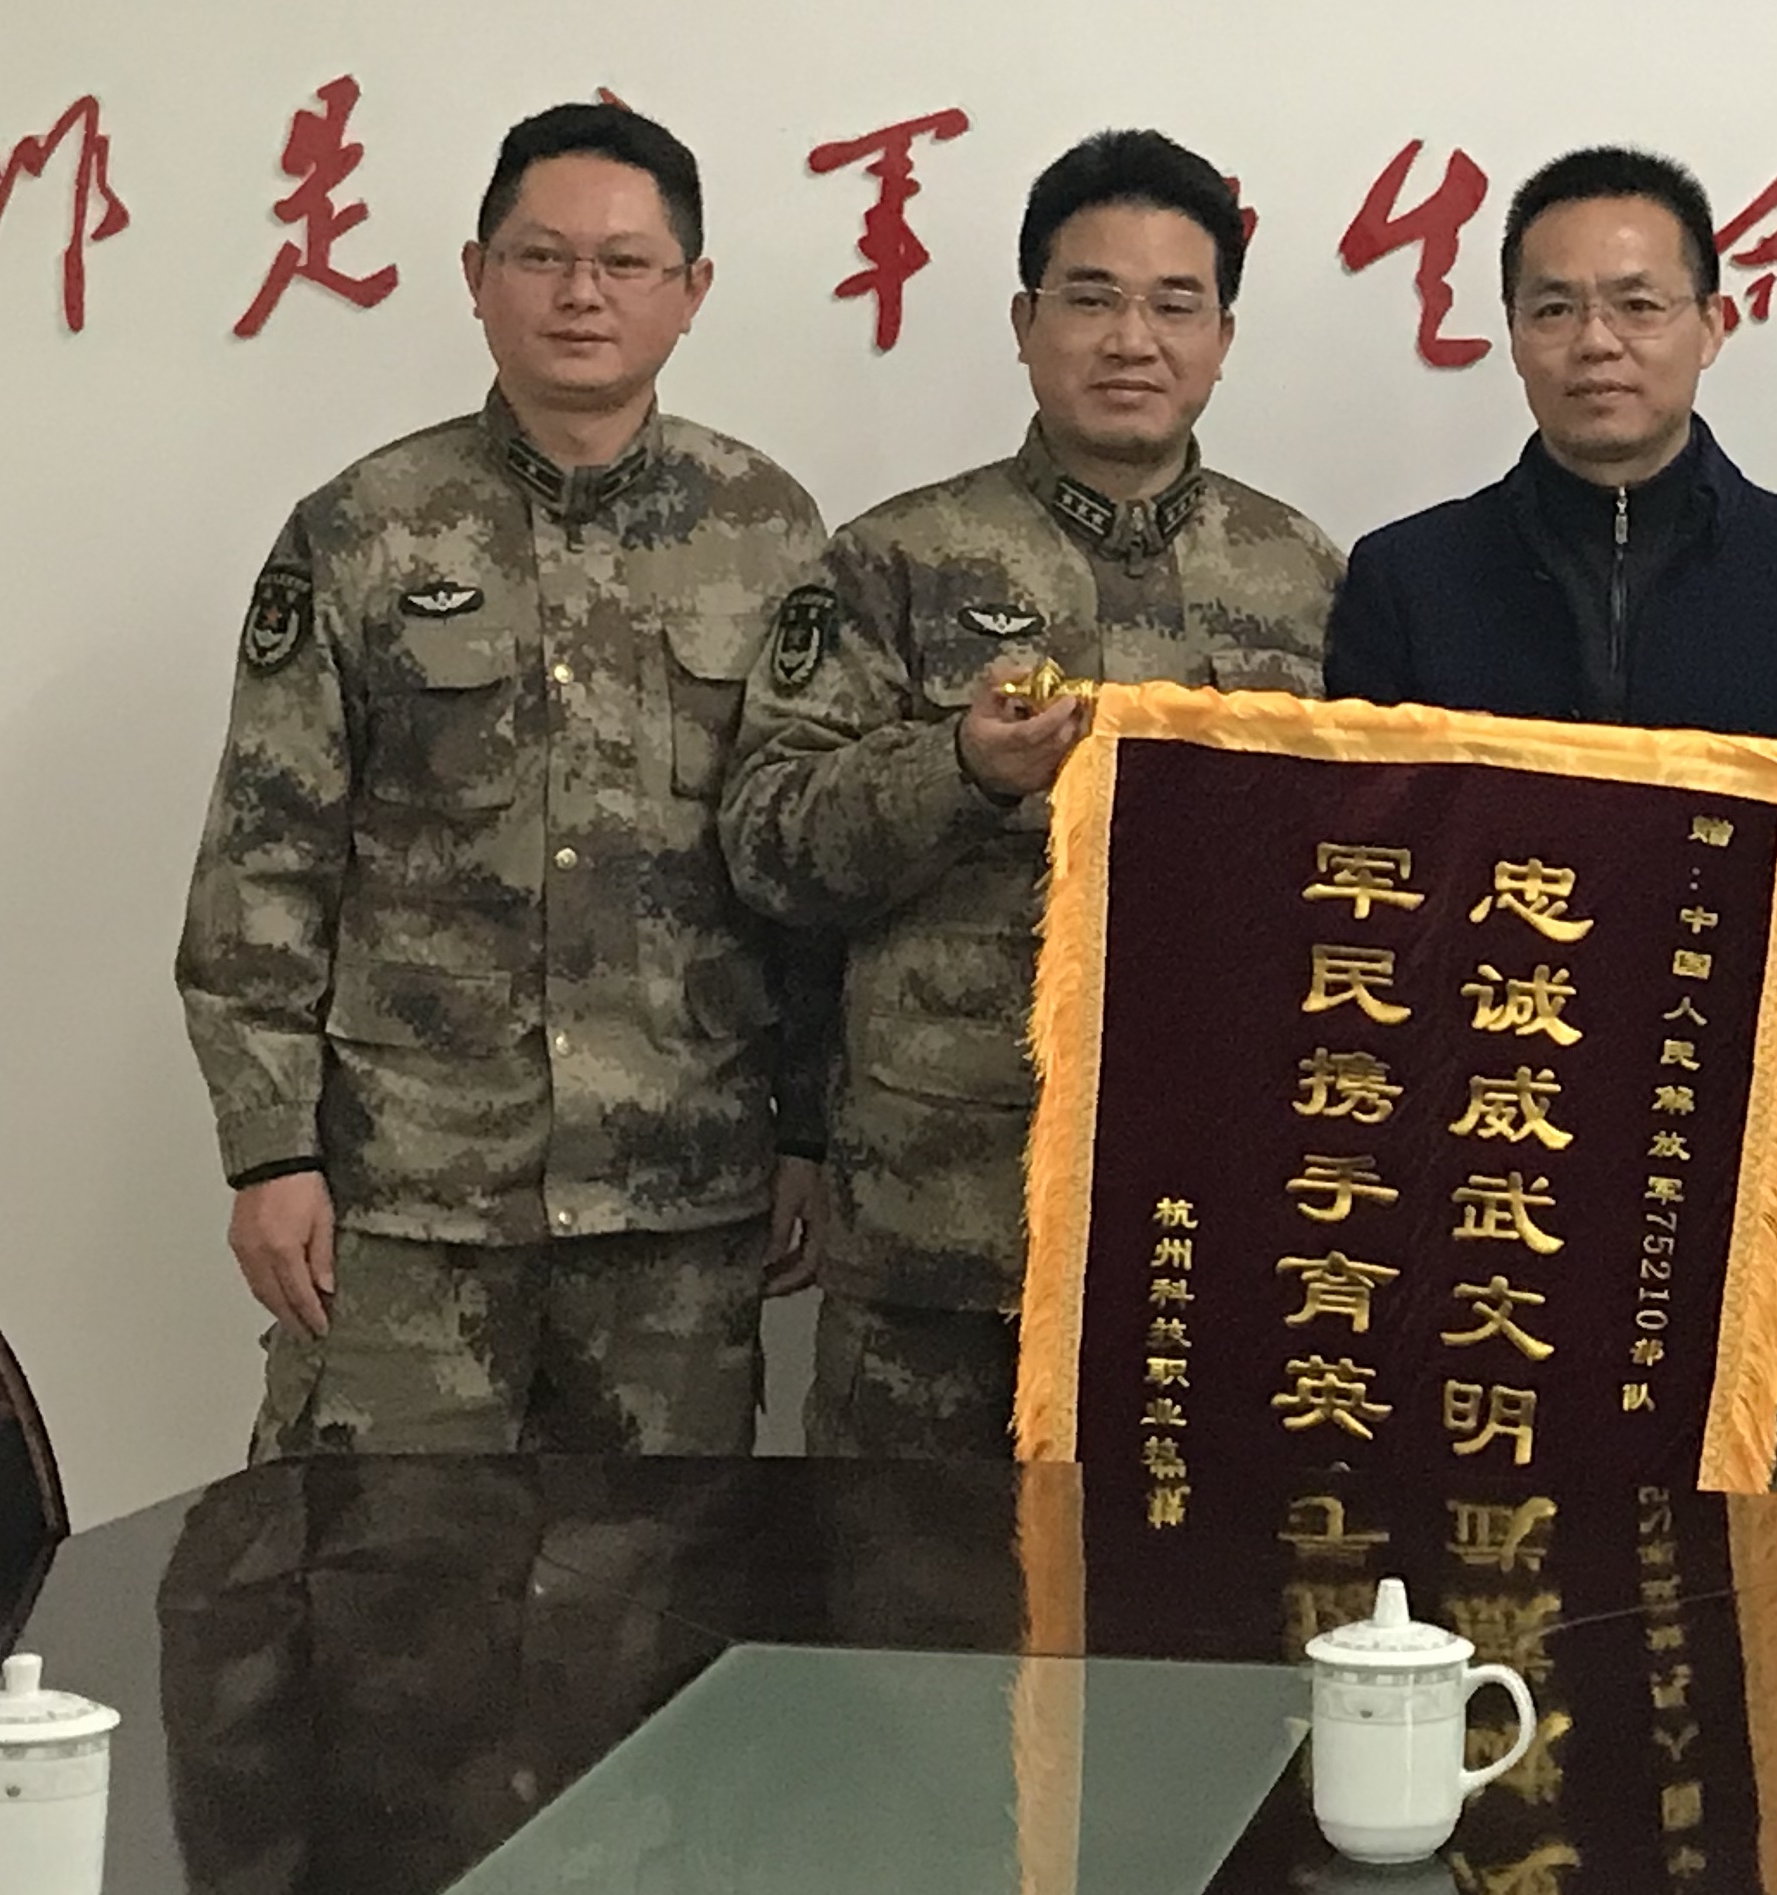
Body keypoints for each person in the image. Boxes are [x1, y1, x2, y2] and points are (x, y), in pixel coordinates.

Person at [176, 101, 829, 1458]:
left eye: (625, 261)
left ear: (691, 289)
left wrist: (810, 1132)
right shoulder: (362, 527)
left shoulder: (767, 530)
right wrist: (270, 1150)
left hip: (678, 1201)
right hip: (408, 1202)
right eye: (541, 255)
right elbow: (265, 863)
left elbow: (803, 864)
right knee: (376, 1571)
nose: (582, 292)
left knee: (659, 1580)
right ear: (476, 274)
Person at [718, 128, 1342, 1457]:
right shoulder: (897, 557)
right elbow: (769, 838)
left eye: (1174, 304)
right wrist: (958, 770)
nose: (1132, 338)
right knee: (897, 1589)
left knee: (1182, 1586)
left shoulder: (1304, 574)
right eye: (1091, 296)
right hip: (941, 1227)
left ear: (1223, 337)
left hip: (1211, 1226)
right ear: (1024, 322)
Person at [1322, 143, 1777, 924]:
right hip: (1481, 989)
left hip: (1714, 987)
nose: (1596, 341)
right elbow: (1355, 833)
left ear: (1710, 325)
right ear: (1513, 334)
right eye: (1554, 309)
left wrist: (1682, 860)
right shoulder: (1408, 576)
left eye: (1637, 305)